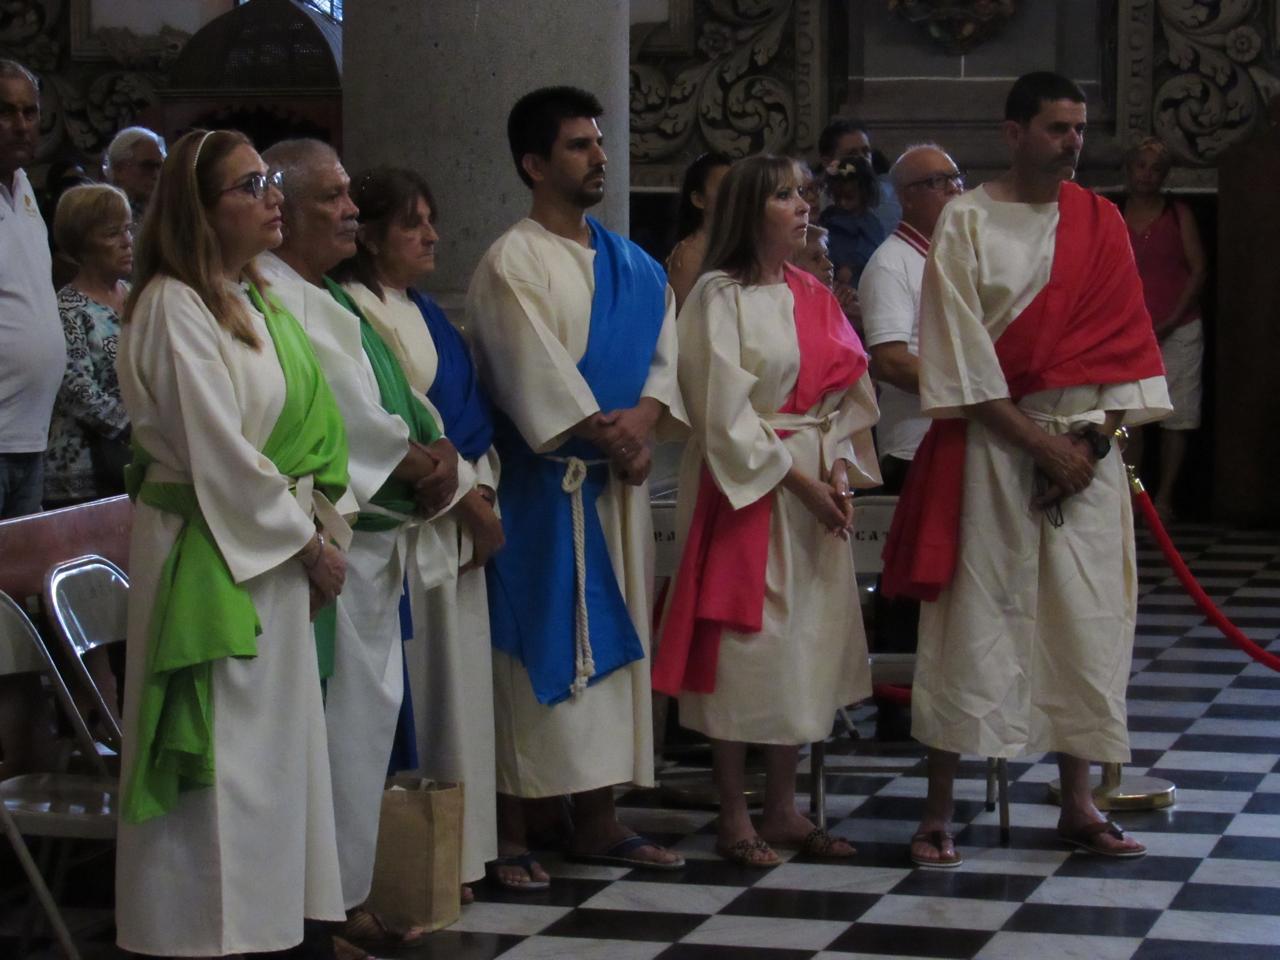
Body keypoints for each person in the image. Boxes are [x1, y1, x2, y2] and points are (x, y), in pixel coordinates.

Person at [882, 72, 1170, 868]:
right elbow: (959, 359)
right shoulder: (967, 221)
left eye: (1079, 128)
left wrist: (1090, 443)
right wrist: (1038, 444)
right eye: (1055, 128)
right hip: (993, 450)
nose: (1072, 141)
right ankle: (938, 810)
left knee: (1086, 620)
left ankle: (1079, 803)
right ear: (1013, 133)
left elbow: (1130, 356)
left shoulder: (1101, 221)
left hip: (1087, 453)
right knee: (974, 620)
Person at [114, 128, 351, 958]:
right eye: (252, 186)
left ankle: (269, 931)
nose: (273, 196)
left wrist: (322, 526)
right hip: (207, 553)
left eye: (271, 181)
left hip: (265, 554)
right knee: (220, 769)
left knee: (270, 765)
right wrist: (305, 544)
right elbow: (217, 448)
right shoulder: (172, 303)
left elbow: (305, 430)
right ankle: (196, 937)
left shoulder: (250, 298)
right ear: (199, 208)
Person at [466, 85, 687, 885]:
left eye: (598, 143)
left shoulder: (636, 264)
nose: (598, 157)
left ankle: (597, 817)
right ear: (533, 164)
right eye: (577, 146)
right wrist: (613, 434)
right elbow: (534, 374)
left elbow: (667, 360)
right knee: (531, 660)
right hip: (545, 490)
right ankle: (516, 825)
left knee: (613, 660)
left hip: (616, 489)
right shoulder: (510, 262)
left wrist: (647, 422)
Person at [257, 138, 458, 949]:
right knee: (333, 735)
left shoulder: (327, 296)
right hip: (328, 547)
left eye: (349, 196)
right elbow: (345, 416)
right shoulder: (276, 297)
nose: (349, 210)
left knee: (363, 731)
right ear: (285, 209)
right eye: (333, 197)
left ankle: (344, 894)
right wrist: (416, 460)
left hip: (373, 545)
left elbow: (398, 392)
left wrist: (441, 451)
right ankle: (317, 912)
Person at [652, 155, 880, 866]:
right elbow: (721, 410)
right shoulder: (718, 296)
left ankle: (783, 808)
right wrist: (800, 482)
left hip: (814, 482)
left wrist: (838, 468)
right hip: (748, 491)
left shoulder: (814, 292)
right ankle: (733, 813)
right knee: (744, 650)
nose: (801, 205)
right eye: (784, 196)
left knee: (801, 650)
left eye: (801, 194)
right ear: (751, 211)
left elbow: (847, 394)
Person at [335, 165, 504, 899]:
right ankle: (410, 864)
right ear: (367, 236)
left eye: (431, 220)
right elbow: (392, 426)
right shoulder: (347, 310)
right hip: (409, 526)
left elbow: (464, 415)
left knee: (458, 690)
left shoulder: (426, 310)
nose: (431, 235)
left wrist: (480, 490)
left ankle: (460, 850)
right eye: (412, 223)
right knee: (414, 695)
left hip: (453, 529)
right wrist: (465, 499)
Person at [859, 143, 964, 493]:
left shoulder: (955, 257)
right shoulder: (890, 263)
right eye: (938, 181)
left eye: (955, 177)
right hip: (915, 448)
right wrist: (976, 388)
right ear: (907, 197)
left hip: (961, 437)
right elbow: (890, 363)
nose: (954, 188)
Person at [1121, 136, 1207, 521]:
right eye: (1141, 166)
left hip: (1179, 326)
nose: (1147, 175)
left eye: (1155, 169)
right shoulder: (1114, 213)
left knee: (1177, 414)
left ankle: (1166, 496)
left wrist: (1173, 318)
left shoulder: (1178, 213)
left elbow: (1199, 269)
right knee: (1130, 415)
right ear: (1129, 169)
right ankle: (1131, 494)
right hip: (1129, 329)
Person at [0, 60, 65, 519]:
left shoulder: (23, 189)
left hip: (29, 436)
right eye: (5, 112)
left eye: (31, 112)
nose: (22, 125)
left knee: (16, 584)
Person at [44, 184, 133, 508]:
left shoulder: (138, 297)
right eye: (112, 233)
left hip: (140, 465)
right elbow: (75, 387)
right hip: (83, 475)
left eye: (127, 229)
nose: (127, 242)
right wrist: (137, 429)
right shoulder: (68, 308)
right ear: (81, 244)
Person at [666, 151, 731, 310]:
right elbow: (686, 323)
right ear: (698, 200)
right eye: (724, 188)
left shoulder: (738, 245)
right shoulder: (689, 256)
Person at [818, 116, 901, 235]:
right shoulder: (813, 203)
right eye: (852, 154)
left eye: (866, 152)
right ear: (827, 162)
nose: (863, 159)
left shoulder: (892, 201)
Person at [818, 153, 884, 291]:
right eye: (837, 197)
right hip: (830, 272)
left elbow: (872, 247)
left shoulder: (868, 221)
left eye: (849, 197)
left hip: (856, 279)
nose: (842, 203)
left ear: (864, 194)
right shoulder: (829, 216)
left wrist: (852, 265)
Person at [103, 125, 166, 230]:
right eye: (147, 166)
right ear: (119, 169)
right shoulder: (101, 216)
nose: (156, 175)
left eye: (159, 166)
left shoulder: (165, 211)